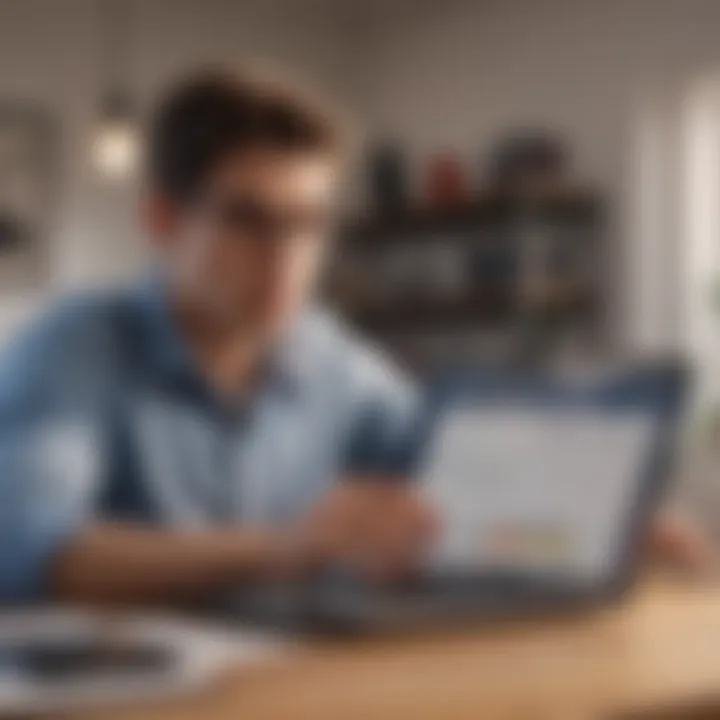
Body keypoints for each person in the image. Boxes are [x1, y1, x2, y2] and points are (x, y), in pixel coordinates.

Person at [0, 69, 709, 607]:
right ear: (161, 220)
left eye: (311, 224)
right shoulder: (70, 348)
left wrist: (601, 516)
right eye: (248, 220)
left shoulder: (333, 359)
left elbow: (454, 475)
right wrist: (284, 548)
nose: (287, 258)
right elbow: (28, 546)